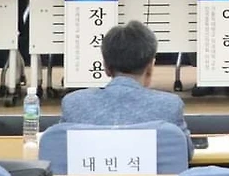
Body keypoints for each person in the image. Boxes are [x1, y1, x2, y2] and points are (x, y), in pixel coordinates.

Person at [59, 20, 192, 160]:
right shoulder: (169, 105)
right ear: (150, 66)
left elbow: (59, 152)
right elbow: (185, 153)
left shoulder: (73, 103)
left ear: (105, 67)